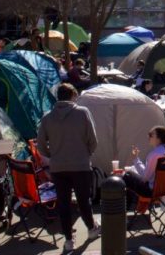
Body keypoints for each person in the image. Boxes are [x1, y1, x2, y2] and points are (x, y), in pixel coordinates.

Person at [37, 83, 100, 252]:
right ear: (73, 95)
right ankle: (92, 229)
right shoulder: (82, 113)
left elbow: (41, 146)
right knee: (83, 200)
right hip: (80, 165)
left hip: (58, 167)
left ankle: (68, 240)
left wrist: (53, 156)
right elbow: (93, 140)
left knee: (63, 204)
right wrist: (85, 154)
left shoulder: (47, 117)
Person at [122, 126, 165, 203]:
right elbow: (149, 174)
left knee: (127, 175)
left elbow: (145, 178)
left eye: (151, 135)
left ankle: (125, 208)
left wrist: (135, 159)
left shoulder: (155, 154)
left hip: (153, 191)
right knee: (131, 172)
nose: (148, 137)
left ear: (159, 138)